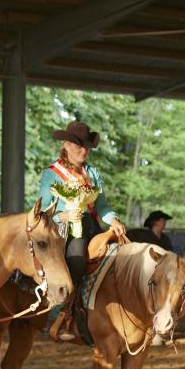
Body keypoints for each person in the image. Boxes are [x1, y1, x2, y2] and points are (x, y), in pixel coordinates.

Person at [38, 121, 127, 342]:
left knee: (118, 256)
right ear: (66, 145)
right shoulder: (52, 174)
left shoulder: (92, 173)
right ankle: (62, 313)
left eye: (86, 146)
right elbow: (41, 210)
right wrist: (63, 216)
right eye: (78, 146)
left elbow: (102, 206)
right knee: (76, 260)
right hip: (64, 229)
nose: (83, 150)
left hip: (90, 225)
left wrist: (113, 220)